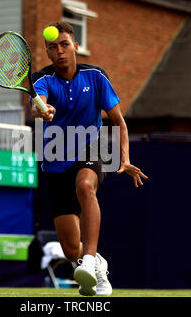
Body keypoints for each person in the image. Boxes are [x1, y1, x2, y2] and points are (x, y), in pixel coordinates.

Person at [31, 22, 148, 296]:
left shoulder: (96, 76)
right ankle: (96, 265)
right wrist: (42, 111)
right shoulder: (42, 80)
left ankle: (91, 260)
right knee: (71, 249)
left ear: (75, 47)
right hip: (55, 157)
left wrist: (124, 158)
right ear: (48, 53)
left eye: (64, 45)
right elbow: (36, 104)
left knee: (85, 186)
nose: (59, 51)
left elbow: (118, 120)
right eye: (52, 47)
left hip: (91, 146)